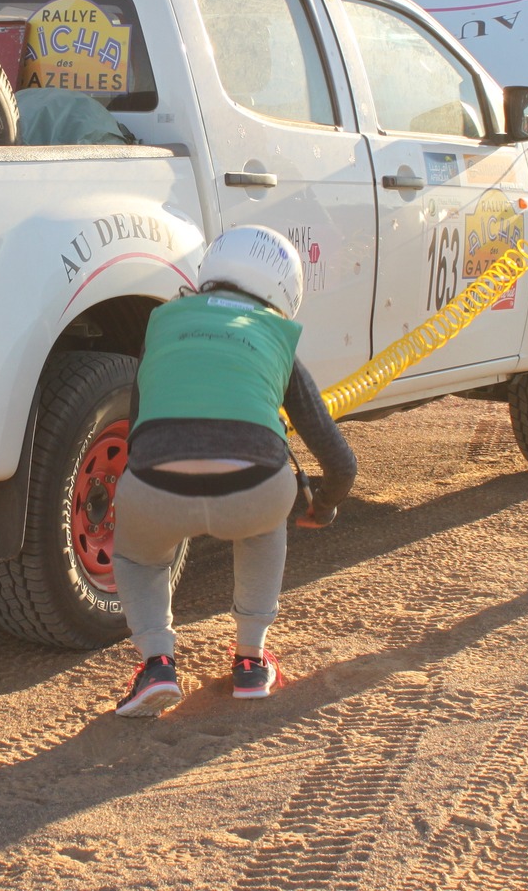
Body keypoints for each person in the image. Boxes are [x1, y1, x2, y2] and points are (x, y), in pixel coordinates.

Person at [113, 224, 357, 716]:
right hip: (251, 488)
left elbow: (141, 427)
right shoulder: (277, 336)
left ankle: (156, 664)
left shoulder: (162, 322)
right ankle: (250, 662)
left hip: (157, 482)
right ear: (285, 290)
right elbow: (340, 462)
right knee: (266, 523)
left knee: (139, 558)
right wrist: (321, 505)